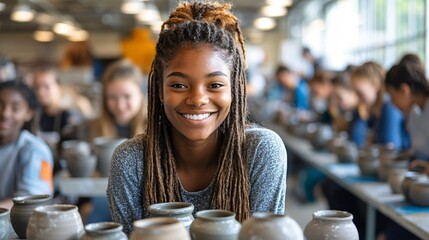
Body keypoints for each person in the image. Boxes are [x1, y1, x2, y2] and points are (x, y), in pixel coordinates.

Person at [107, 1, 287, 234]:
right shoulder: (131, 161)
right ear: (160, 90)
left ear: (234, 89)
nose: (197, 99)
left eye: (215, 84)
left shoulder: (261, 151)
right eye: (179, 85)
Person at [0, 80, 54, 209]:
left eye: (16, 108)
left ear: (28, 113)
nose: (5, 113)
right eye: (0, 105)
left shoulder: (35, 150)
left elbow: (32, 202)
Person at [349, 61, 409, 149]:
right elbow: (356, 141)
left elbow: (389, 148)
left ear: (376, 86)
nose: (356, 97)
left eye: (360, 93)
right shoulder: (369, 111)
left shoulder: (390, 108)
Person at [90, 59, 146, 140]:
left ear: (140, 95)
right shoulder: (92, 128)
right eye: (113, 97)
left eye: (127, 96)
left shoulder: (155, 127)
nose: (120, 105)